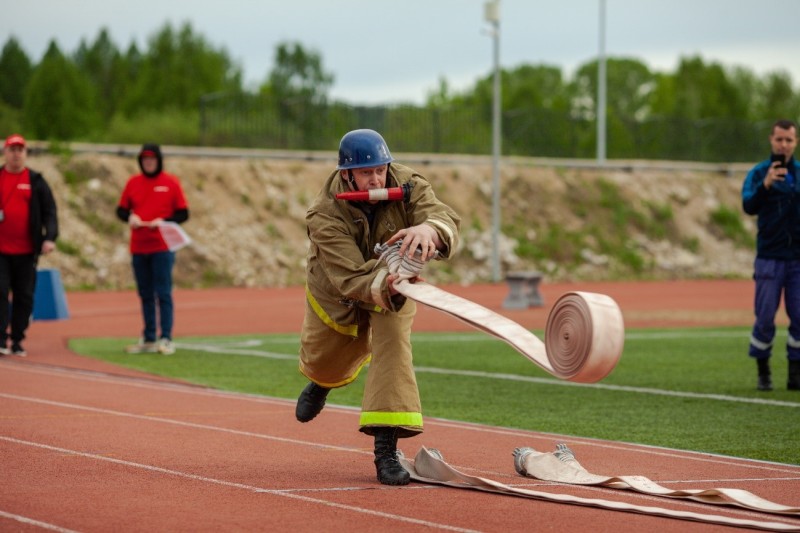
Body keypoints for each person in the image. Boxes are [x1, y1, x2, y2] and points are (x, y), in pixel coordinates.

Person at [295, 129, 460, 485]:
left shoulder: (409, 183)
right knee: (327, 356)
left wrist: (431, 230)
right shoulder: (323, 213)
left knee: (394, 350)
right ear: (346, 174)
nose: (376, 178)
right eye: (366, 172)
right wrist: (377, 284)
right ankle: (323, 383)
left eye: (381, 170)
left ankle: (385, 451)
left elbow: (442, 216)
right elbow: (349, 276)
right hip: (338, 288)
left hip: (396, 278)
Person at [742, 119, 800, 391]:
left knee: (799, 316)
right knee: (765, 317)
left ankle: (795, 373)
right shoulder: (758, 172)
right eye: (779, 139)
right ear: (771, 140)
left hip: (797, 259)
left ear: (795, 142)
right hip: (769, 257)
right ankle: (763, 372)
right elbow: (748, 205)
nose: (784, 145)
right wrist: (766, 185)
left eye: (789, 140)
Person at [116, 144, 189, 355]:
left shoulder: (170, 183)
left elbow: (183, 213)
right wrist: (131, 217)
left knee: (163, 291)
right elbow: (121, 210)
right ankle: (149, 336)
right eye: (145, 159)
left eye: (152, 159)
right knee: (145, 293)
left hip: (162, 246)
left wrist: (163, 221)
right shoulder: (133, 183)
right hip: (139, 246)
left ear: (158, 160)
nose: (149, 162)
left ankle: (166, 337)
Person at [0, 134, 59, 357]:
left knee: (24, 296)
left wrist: (50, 237)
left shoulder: (36, 181)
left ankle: (17, 339)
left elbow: (50, 212)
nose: (16, 154)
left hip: (26, 251)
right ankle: (0, 338)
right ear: (5, 152)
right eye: (12, 149)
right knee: (0, 291)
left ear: (25, 153)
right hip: (1, 251)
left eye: (20, 150)